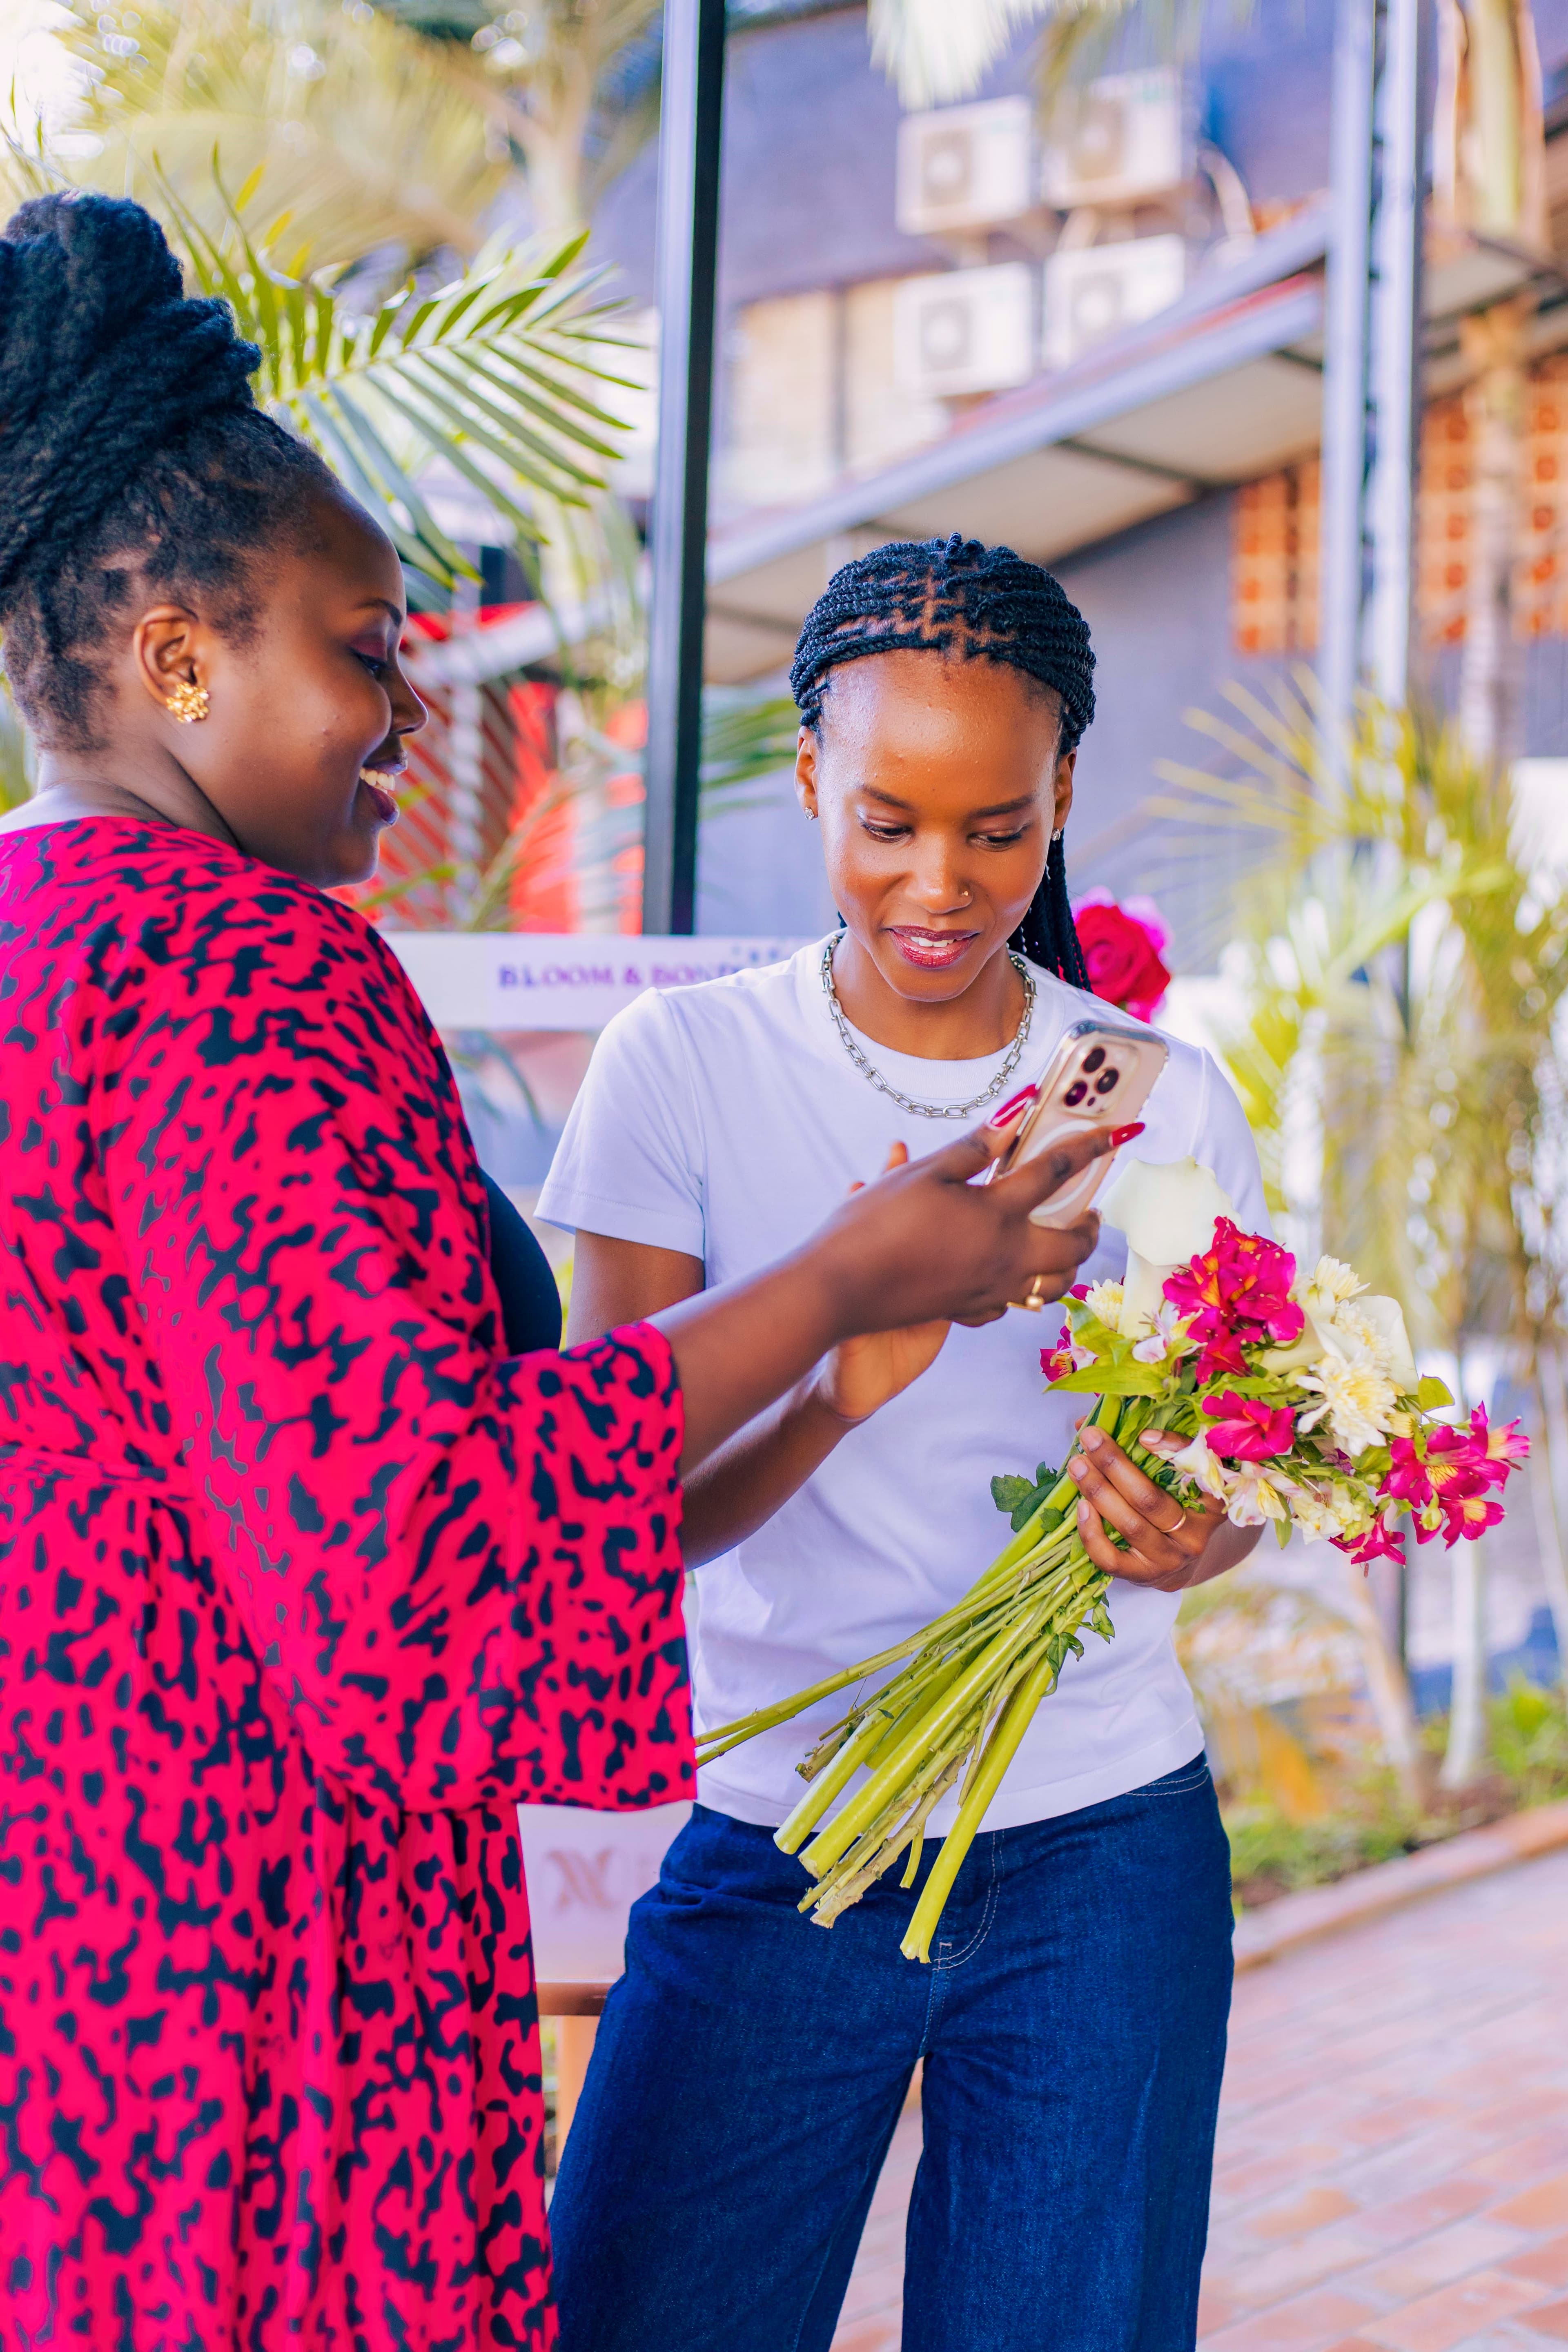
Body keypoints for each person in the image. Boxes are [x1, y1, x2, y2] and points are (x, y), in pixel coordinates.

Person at [0, 203, 1115, 2349]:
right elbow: (401, 1531)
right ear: (173, 658)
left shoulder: (40, 951)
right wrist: (856, 1262)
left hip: (86, 1960)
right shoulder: (238, 970)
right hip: (265, 1989)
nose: (411, 704)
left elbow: (369, 1486)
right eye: (363, 642)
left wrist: (841, 1366)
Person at [539, 536, 1270, 2352]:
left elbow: (1244, 1462)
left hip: (1104, 1847)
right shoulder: (681, 1074)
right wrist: (842, 1379)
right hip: (789, 1836)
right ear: (806, 779)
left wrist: (1195, 1532)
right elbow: (610, 1517)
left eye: (998, 830)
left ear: (1062, 798)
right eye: (885, 823)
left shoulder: (1159, 1099)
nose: (941, 884)